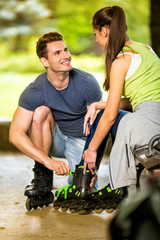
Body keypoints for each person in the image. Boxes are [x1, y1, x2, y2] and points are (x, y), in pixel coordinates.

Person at [53, 5, 160, 214]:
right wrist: (98, 104)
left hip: (147, 129)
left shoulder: (120, 61)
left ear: (104, 30)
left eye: (95, 34)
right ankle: (89, 182)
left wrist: (91, 149)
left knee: (108, 118)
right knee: (104, 112)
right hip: (155, 121)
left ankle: (94, 184)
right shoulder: (146, 49)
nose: (96, 40)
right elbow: (137, 99)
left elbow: (111, 116)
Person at [9, 31, 102, 210]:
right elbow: (15, 134)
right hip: (55, 138)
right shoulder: (35, 90)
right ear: (45, 62)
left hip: (83, 141)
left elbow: (100, 126)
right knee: (40, 111)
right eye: (57, 53)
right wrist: (48, 162)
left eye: (65, 50)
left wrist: (93, 164)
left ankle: (81, 179)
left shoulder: (87, 82)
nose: (66, 56)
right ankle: (42, 177)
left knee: (81, 194)